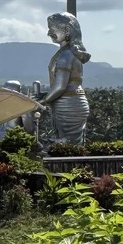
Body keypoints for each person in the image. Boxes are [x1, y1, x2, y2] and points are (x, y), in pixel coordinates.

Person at [42, 12, 90, 145]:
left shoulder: (65, 56)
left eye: (52, 29)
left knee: (66, 143)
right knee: (69, 143)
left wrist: (43, 101)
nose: (48, 33)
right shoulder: (66, 53)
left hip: (68, 104)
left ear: (67, 30)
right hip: (69, 101)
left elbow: (60, 86)